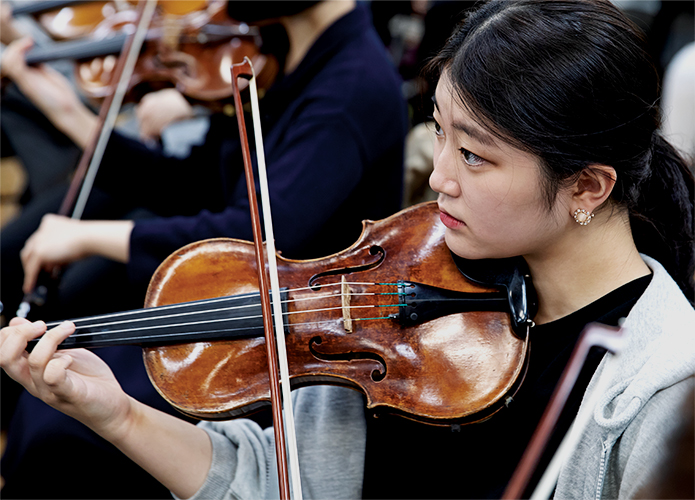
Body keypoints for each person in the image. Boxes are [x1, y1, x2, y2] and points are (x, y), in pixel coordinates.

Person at [2, 0, 694, 499]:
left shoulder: (660, 387)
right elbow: (277, 475)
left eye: (476, 157)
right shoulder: (410, 280)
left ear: (587, 187)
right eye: (438, 133)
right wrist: (114, 413)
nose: (439, 177)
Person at [0, 1, 407, 498]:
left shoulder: (351, 88)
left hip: (292, 346)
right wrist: (65, 109)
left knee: (58, 427)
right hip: (235, 311)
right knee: (54, 375)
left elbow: (244, 237)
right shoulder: (275, 52)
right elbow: (191, 185)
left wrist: (89, 236)